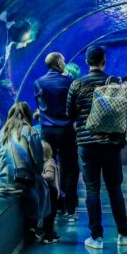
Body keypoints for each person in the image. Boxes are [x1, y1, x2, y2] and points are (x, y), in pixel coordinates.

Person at [67, 45, 127, 249]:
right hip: (110, 144)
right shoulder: (116, 82)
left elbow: (70, 114)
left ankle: (96, 237)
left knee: (92, 189)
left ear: (86, 62)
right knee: (114, 188)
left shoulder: (77, 84)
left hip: (86, 144)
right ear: (104, 61)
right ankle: (124, 233)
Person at [0, 102, 51, 243]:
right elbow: (38, 164)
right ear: (28, 115)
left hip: (2, 185)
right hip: (23, 187)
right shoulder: (30, 132)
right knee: (45, 186)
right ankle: (39, 226)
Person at [33, 52, 79, 221]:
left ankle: (53, 208)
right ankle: (71, 209)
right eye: (64, 61)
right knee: (70, 169)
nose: (65, 64)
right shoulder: (70, 82)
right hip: (67, 131)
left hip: (47, 132)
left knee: (49, 166)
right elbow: (74, 106)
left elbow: (41, 106)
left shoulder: (38, 83)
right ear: (59, 63)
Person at [40, 142, 60, 244]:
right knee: (49, 214)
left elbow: (50, 176)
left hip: (51, 192)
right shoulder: (49, 162)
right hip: (49, 192)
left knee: (50, 214)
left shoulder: (49, 163)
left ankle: (48, 235)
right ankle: (49, 231)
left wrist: (40, 176)